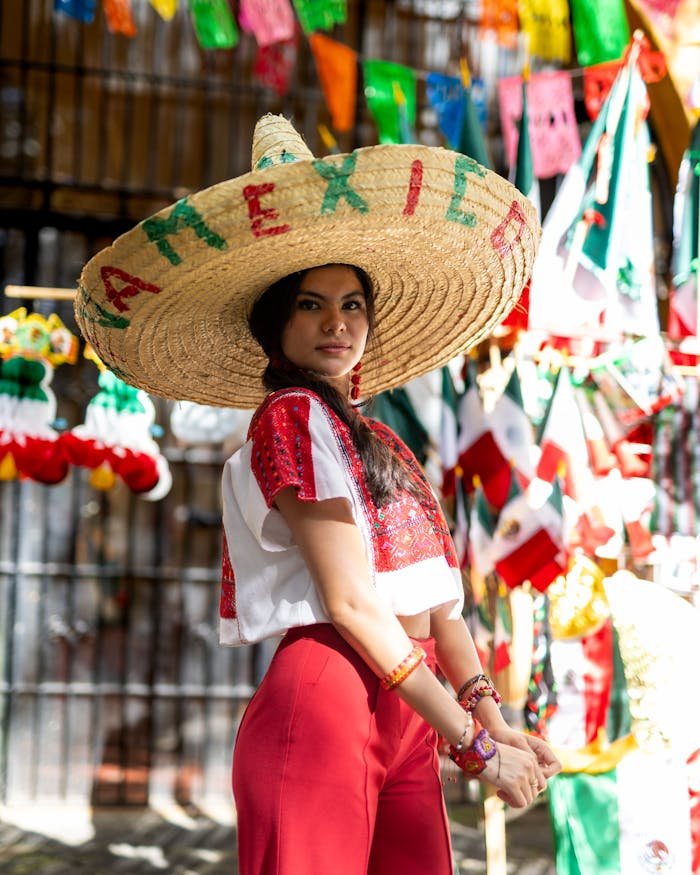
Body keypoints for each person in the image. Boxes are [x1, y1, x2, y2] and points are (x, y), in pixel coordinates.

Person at [75, 114, 560, 874]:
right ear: (276, 322)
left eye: (352, 303)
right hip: (329, 699)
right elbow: (352, 603)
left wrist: (499, 725)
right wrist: (476, 747)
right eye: (310, 303)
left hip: (410, 708)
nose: (337, 322)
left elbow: (442, 609)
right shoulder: (290, 419)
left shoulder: (385, 441)